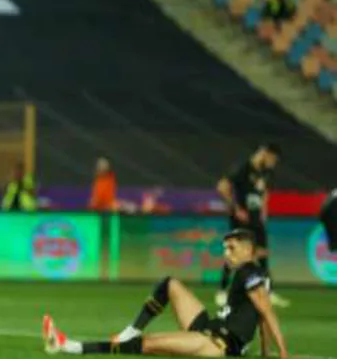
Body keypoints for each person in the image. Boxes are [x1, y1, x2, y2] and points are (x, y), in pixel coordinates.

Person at [42, 229, 289, 359]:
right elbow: (261, 314)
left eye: (232, 248)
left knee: (147, 345)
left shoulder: (248, 271)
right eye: (225, 248)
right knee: (170, 284)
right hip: (210, 328)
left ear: (247, 250)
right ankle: (132, 329)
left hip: (216, 343)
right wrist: (266, 352)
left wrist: (283, 354)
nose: (226, 253)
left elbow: (266, 311)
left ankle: (68, 346)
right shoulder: (255, 275)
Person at [215, 143, 288, 308]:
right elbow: (222, 187)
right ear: (264, 153)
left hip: (256, 218)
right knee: (234, 254)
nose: (273, 163)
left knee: (262, 255)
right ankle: (222, 291)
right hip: (241, 219)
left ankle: (268, 292)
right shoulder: (243, 168)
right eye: (272, 159)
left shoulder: (265, 172)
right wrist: (236, 209)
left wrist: (263, 212)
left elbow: (264, 192)